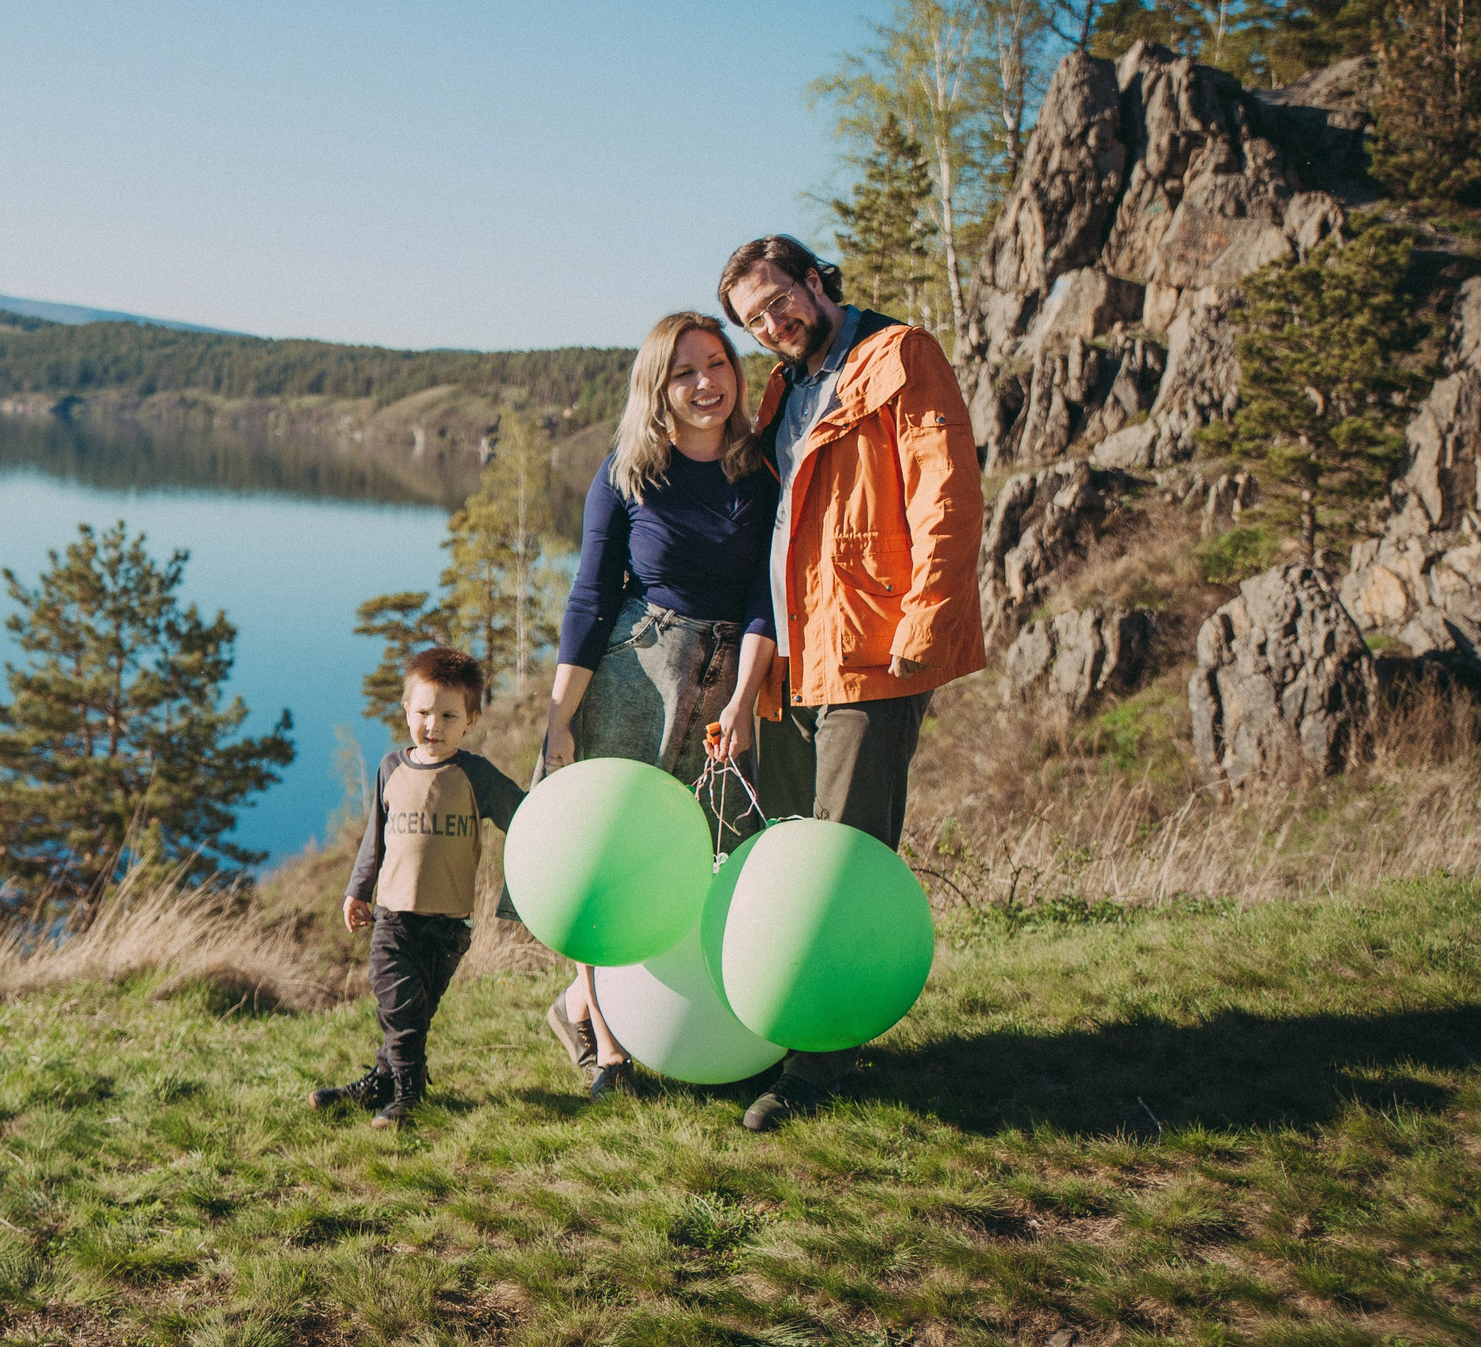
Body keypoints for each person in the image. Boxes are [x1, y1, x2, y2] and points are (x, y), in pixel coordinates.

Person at [717, 234, 985, 1131]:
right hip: (799, 660)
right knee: (794, 848)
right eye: (754, 319)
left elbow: (946, 494)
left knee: (844, 860)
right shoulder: (786, 388)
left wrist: (924, 622)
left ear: (815, 280)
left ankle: (817, 1065)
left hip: (872, 651)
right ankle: (786, 1022)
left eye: (778, 301)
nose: (771, 324)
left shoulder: (898, 355)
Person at [538, 311, 779, 1099]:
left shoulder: (760, 472)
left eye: (718, 363)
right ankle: (608, 1047)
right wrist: (558, 715)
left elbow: (761, 602)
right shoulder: (626, 473)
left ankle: (598, 1006)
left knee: (696, 861)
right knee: (612, 857)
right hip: (632, 677)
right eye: (685, 371)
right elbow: (589, 597)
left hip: (723, 683)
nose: (707, 382)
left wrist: (743, 698)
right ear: (658, 386)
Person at [315, 646, 526, 1128]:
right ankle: (408, 1095)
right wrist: (357, 890)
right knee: (398, 1003)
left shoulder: (475, 776)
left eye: (449, 715)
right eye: (424, 712)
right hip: (393, 916)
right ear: (406, 710)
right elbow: (375, 837)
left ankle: (381, 1082)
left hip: (448, 924)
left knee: (412, 1015)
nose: (434, 725)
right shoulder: (392, 768)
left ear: (470, 719)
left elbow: (525, 818)